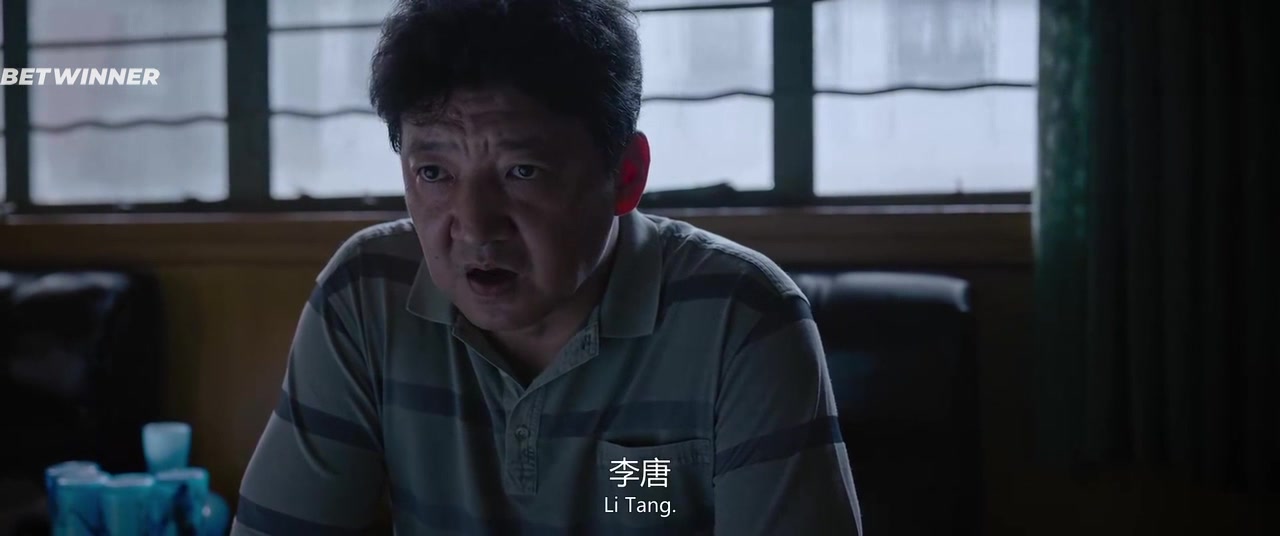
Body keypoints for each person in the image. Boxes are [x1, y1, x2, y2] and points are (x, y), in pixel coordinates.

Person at [231, 1, 862, 534]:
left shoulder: (741, 318)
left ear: (626, 176)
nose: (473, 226)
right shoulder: (368, 293)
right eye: (434, 172)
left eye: (522, 171)